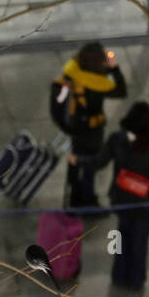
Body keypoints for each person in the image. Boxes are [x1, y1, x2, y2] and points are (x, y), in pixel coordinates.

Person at [67, 101, 149, 291]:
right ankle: (135, 279)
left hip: (123, 200)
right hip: (146, 204)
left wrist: (79, 160)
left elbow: (99, 161)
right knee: (140, 243)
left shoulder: (118, 140)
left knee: (122, 239)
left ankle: (119, 275)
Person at [50, 41, 127, 212]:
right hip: (93, 131)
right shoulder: (98, 82)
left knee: (75, 163)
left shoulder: (70, 75)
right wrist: (114, 68)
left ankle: (72, 199)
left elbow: (55, 107)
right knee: (90, 165)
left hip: (76, 130)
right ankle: (87, 201)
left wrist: (68, 129)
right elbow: (121, 91)